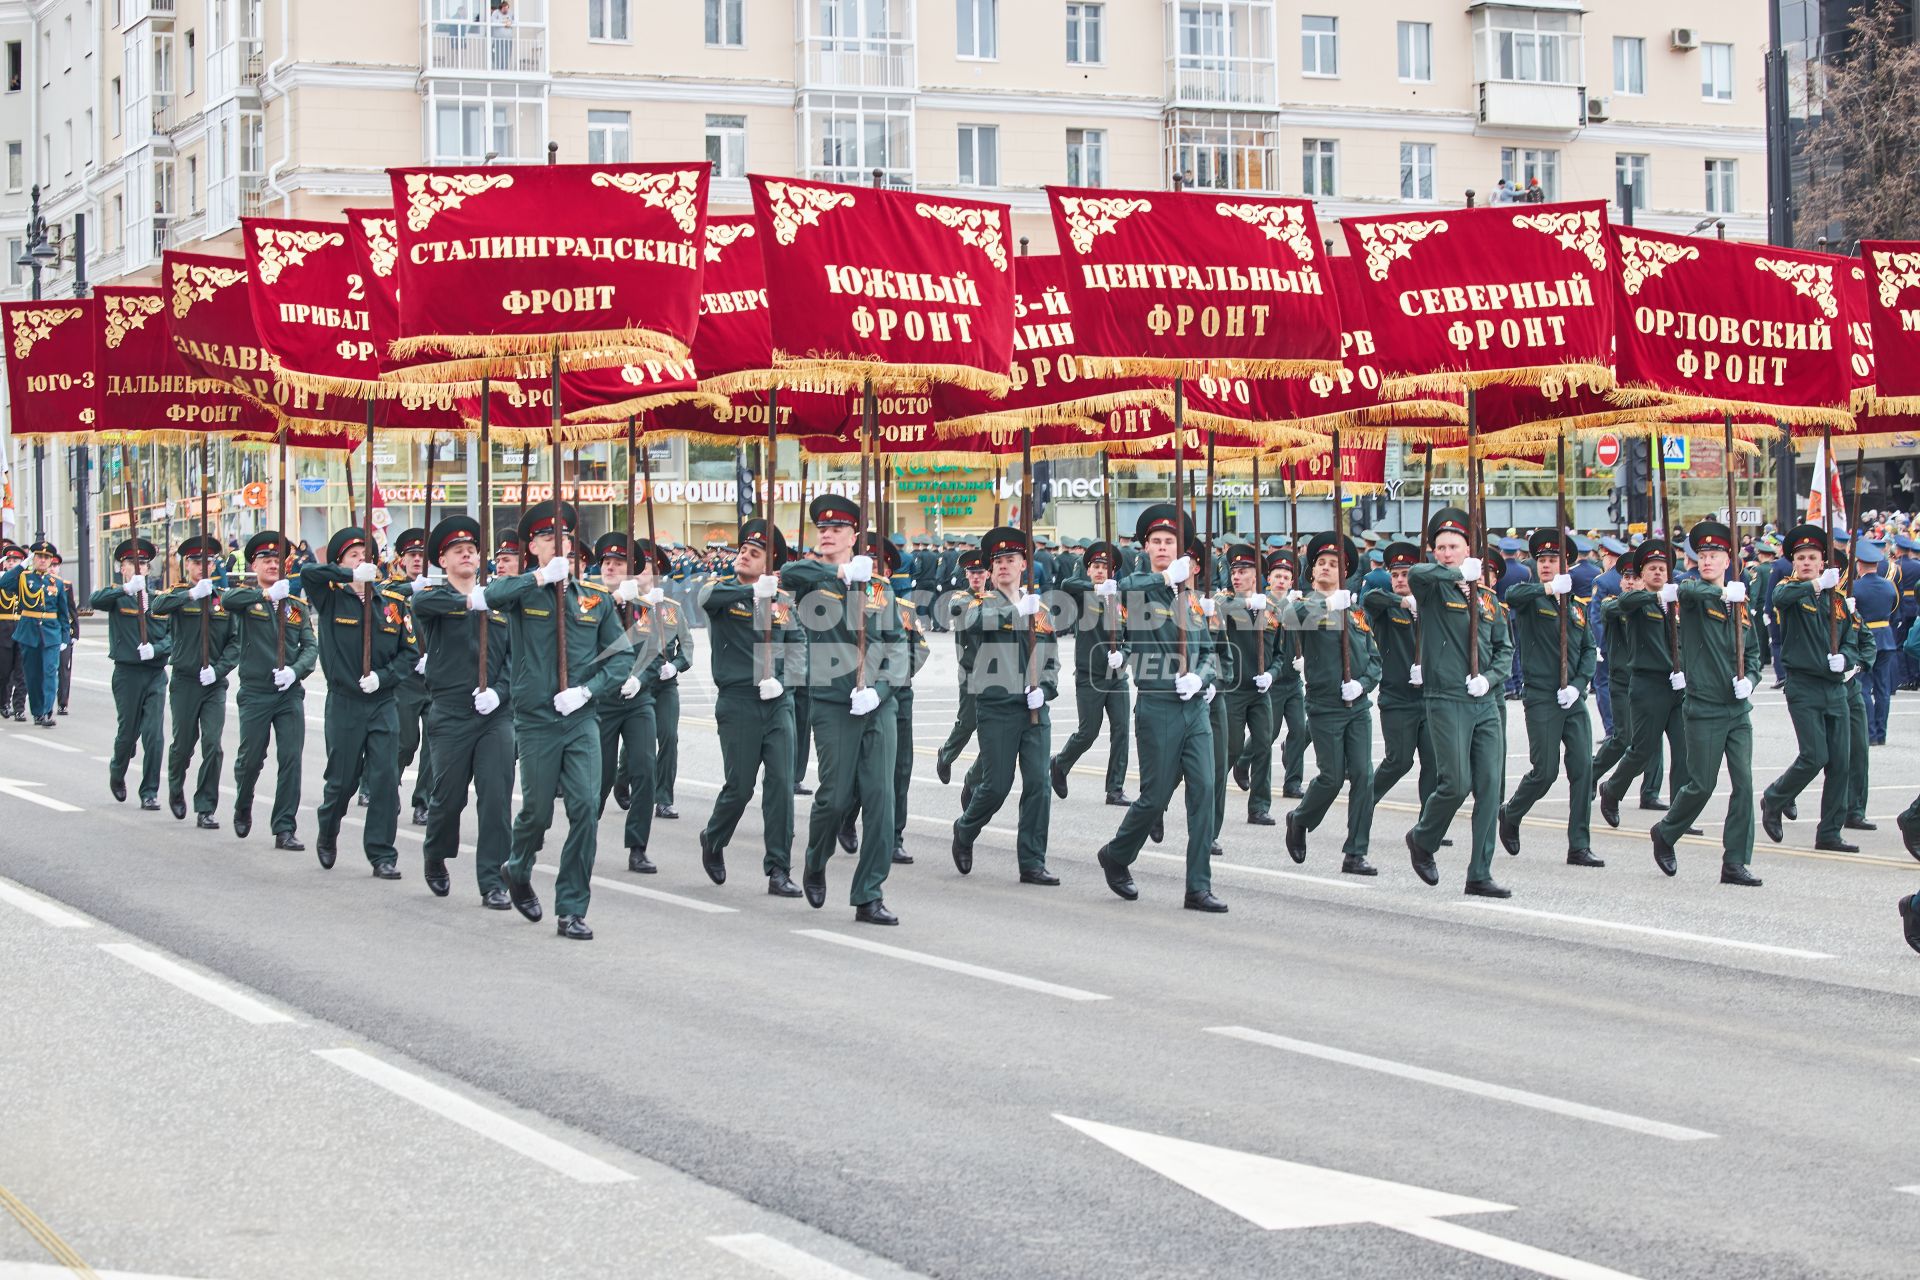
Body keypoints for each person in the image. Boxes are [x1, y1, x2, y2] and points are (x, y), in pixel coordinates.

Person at [487, 501, 632, 941]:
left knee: (586, 809)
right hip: (535, 720)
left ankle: (571, 907)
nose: (559, 545)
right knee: (535, 812)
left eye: (565, 539)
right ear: (532, 546)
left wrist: (587, 690)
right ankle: (518, 865)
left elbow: (622, 657)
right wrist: (534, 578)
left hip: (581, 717)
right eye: (548, 538)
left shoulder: (595, 600)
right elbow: (487, 598)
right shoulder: (522, 590)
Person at [1094, 504, 1228, 914]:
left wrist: (1202, 679)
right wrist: (1164, 578)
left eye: (1171, 542)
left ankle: (1198, 887)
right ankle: (1116, 855)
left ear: (1182, 550)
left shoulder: (1193, 599)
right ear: (1146, 547)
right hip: (1157, 706)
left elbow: (1210, 654)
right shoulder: (1141, 588)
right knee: (1154, 799)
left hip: (1193, 708)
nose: (1164, 547)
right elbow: (1124, 586)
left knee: (1204, 792)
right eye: (1157, 542)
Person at [783, 494, 910, 924]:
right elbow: (784, 571)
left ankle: (868, 894)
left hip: (877, 705)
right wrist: (836, 570)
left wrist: (879, 689)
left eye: (836, 529)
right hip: (833, 702)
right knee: (834, 799)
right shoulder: (812, 578)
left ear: (855, 535)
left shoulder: (879, 587)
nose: (827, 534)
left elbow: (898, 647)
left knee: (880, 799)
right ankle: (816, 860)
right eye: (822, 528)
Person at [1648, 520, 1764, 885]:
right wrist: (1721, 595)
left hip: (1737, 710)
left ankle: (1735, 862)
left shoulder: (1740, 604)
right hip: (1705, 708)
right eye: (1703, 555)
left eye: (1715, 555)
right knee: (1702, 784)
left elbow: (1756, 655)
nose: (1708, 560)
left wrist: (1752, 680)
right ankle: (1666, 832)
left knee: (1744, 785)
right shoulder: (1695, 593)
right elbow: (1690, 591)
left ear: (1729, 560)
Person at [1406, 507, 1514, 896]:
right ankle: (1423, 838)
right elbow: (1417, 574)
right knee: (1456, 783)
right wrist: (1456, 574)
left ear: (1470, 548)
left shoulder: (1486, 599)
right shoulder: (1433, 586)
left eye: (1454, 546)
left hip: (1483, 701)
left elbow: (1505, 648)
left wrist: (1491, 679)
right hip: (1446, 697)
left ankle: (1479, 872)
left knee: (1489, 786)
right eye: (1441, 547)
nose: (1447, 552)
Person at [302, 526, 420, 879]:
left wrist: (383, 678)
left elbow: (409, 653)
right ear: (342, 563)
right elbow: (309, 572)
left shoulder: (393, 605)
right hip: (345, 702)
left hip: (382, 701)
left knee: (385, 779)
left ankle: (382, 854)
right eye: (353, 556)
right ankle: (328, 827)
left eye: (366, 556)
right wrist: (349, 575)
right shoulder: (331, 598)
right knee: (342, 779)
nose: (362, 561)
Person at [409, 515, 514, 905]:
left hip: (495, 715)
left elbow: (513, 661)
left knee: (496, 799)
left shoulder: (499, 602)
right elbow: (421, 601)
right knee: (449, 798)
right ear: (443, 560)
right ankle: (435, 854)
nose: (467, 553)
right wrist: (472, 601)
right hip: (451, 713)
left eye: (471, 549)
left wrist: (500, 694)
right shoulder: (435, 599)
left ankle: (493, 881)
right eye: (457, 550)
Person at [696, 518, 803, 897]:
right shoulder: (722, 590)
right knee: (739, 788)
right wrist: (755, 592)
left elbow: (799, 648)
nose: (743, 555)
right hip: (738, 702)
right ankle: (713, 837)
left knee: (780, 788)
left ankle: (778, 868)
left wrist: (785, 682)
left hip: (777, 703)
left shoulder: (784, 603)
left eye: (754, 553)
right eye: (743, 550)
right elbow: (706, 601)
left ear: (769, 563)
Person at [951, 525, 1060, 885]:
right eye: (996, 561)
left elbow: (1051, 658)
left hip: (1032, 707)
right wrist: (1015, 614)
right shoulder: (976, 602)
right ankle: (965, 830)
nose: (1002, 566)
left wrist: (1045, 689)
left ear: (1024, 564)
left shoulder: (1040, 609)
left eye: (1010, 559)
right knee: (997, 786)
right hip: (996, 706)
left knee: (1038, 786)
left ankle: (1032, 862)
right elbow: (968, 626)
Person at [1499, 528, 1602, 868]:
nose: (1546, 564)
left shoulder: (1575, 608)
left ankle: (1579, 845)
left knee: (1583, 770)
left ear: (1567, 565)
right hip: (1542, 695)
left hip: (1571, 696)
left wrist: (1578, 683)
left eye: (1553, 560)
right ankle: (1511, 813)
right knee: (1544, 772)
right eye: (1541, 560)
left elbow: (1588, 649)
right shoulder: (1532, 598)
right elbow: (1512, 595)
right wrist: (1546, 588)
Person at [1285, 531, 1380, 876]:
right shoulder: (1306, 604)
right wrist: (1326, 604)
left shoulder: (1356, 613)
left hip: (1356, 705)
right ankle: (1299, 819)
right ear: (1312, 573)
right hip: (1324, 705)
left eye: (1334, 564)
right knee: (1332, 777)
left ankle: (1356, 852)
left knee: (1364, 776)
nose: (1326, 568)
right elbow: (1291, 620)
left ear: (1345, 574)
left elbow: (1374, 660)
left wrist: (1363, 684)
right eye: (1321, 564)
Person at [1760, 525, 1858, 853]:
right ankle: (1774, 799)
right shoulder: (1790, 591)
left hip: (1834, 687)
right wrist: (1816, 585)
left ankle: (1829, 832)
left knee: (1841, 763)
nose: (1805, 562)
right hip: (1803, 685)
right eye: (1800, 558)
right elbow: (1779, 598)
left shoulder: (1840, 600)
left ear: (1823, 562)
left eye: (1812, 558)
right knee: (1814, 755)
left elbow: (1853, 641)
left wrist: (1845, 659)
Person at [222, 532, 316, 849]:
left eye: (278, 560)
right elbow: (226, 601)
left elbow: (310, 646)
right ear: (254, 565)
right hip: (256, 693)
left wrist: (295, 671)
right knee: (251, 760)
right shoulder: (247, 599)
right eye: (267, 560)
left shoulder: (296, 607)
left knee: (290, 758)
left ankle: (284, 827)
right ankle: (243, 801)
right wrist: (264, 597)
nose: (273, 565)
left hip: (288, 694)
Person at [1597, 540, 1691, 829]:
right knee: (1642, 750)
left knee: (1684, 750)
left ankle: (1679, 815)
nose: (1658, 573)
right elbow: (1625, 603)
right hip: (1647, 685)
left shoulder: (1674, 602)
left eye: (1663, 568)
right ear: (1642, 573)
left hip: (1676, 685)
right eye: (1651, 569)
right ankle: (1612, 790)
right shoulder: (1636, 600)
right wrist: (1658, 597)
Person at [149, 536, 235, 828]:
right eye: (197, 562)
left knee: (213, 744)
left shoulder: (223, 598)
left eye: (208, 561)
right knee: (184, 744)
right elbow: (157, 607)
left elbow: (236, 642)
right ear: (186, 565)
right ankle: (175, 786)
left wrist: (219, 669)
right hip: (186, 681)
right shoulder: (179, 593)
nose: (203, 567)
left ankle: (205, 806)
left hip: (214, 683)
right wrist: (190, 595)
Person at [592, 531, 663, 874]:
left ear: (631, 570)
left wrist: (641, 679)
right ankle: (585, 834)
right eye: (606, 562)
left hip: (637, 701)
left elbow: (656, 655)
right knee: (599, 777)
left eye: (618, 563)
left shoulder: (645, 610)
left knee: (645, 769)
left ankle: (638, 846)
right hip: (602, 701)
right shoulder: (589, 604)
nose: (610, 567)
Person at [89, 536, 172, 808]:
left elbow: (175, 637)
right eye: (130, 563)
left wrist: (158, 649)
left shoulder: (159, 600)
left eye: (143, 564)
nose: (137, 568)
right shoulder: (117, 597)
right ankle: (117, 769)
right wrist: (125, 590)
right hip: (127, 675)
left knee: (154, 735)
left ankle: (149, 792)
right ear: (121, 568)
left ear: (149, 569)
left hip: (155, 674)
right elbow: (94, 600)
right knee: (128, 734)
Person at [1050, 540, 1132, 807]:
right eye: (1096, 567)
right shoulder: (1083, 594)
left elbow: (1134, 635)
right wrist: (1098, 588)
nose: (1100, 571)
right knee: (1088, 732)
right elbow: (1065, 585)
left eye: (1106, 568)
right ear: (1088, 571)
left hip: (1116, 676)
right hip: (1090, 675)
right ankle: (1060, 764)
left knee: (1121, 730)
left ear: (1114, 572)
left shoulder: (1122, 601)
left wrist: (1125, 654)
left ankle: (1115, 789)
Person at [1362, 541, 1436, 810]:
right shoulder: (1386, 604)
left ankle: (1429, 825)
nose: (1399, 580)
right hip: (1397, 698)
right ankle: (1364, 803)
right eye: (1395, 575)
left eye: (1405, 574)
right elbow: (1370, 599)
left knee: (1433, 762)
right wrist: (1403, 601)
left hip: (1428, 698)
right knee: (1399, 760)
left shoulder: (1431, 606)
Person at [1218, 544, 1283, 827]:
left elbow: (1281, 654)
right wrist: (1247, 604)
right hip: (1232, 690)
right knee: (1230, 750)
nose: (1236, 576)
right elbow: (1219, 609)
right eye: (1234, 571)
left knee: (1263, 746)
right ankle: (1210, 798)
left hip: (1259, 691)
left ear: (1257, 575)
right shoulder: (1226, 600)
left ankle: (1259, 806)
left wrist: (1272, 674)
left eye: (1243, 572)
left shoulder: (1273, 610)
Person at [641, 537, 694, 822]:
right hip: (637, 684)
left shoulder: (672, 607)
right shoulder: (627, 605)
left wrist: (675, 666)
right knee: (641, 743)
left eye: (651, 569)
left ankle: (663, 798)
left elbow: (687, 646)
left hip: (664, 684)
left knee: (669, 737)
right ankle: (624, 776)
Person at [387, 527, 436, 827]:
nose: (418, 560)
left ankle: (423, 802)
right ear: (401, 559)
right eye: (412, 555)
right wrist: (411, 590)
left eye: (422, 555)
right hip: (405, 680)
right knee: (405, 743)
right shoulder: (393, 590)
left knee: (434, 744)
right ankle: (385, 788)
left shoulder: (437, 590)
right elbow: (382, 598)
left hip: (434, 680)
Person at [0, 541, 71, 727]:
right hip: (29, 633)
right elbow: (3, 583)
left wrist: (65, 638)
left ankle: (47, 712)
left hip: (51, 633)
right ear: (34, 558)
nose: (43, 560)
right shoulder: (23, 578)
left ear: (50, 561)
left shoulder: (57, 582)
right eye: (39, 556)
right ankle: (38, 712)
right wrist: (22, 565)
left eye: (46, 558)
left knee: (49, 672)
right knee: (32, 675)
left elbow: (64, 614)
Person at [935, 548, 990, 786]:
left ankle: (980, 776)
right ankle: (946, 754)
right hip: (970, 669)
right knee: (968, 722)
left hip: (996, 672)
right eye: (972, 573)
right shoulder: (960, 598)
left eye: (980, 572)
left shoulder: (997, 597)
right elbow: (964, 613)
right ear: (966, 575)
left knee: (993, 726)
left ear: (988, 574)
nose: (976, 577)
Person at [1261, 547, 1309, 800]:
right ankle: (1244, 760)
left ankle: (1292, 783)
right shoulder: (1263, 604)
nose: (1281, 581)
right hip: (1274, 680)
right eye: (1276, 576)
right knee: (1268, 733)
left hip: (1293, 680)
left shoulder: (1298, 604)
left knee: (1299, 730)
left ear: (1292, 582)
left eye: (1285, 577)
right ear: (1269, 579)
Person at [1853, 542, 1899, 746]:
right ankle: (1881, 733)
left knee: (1863, 686)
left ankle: (1870, 733)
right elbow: (1894, 610)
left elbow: (1850, 617)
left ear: (1859, 565)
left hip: (1865, 639)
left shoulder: (1855, 587)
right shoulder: (1889, 586)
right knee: (1882, 689)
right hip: (1886, 637)